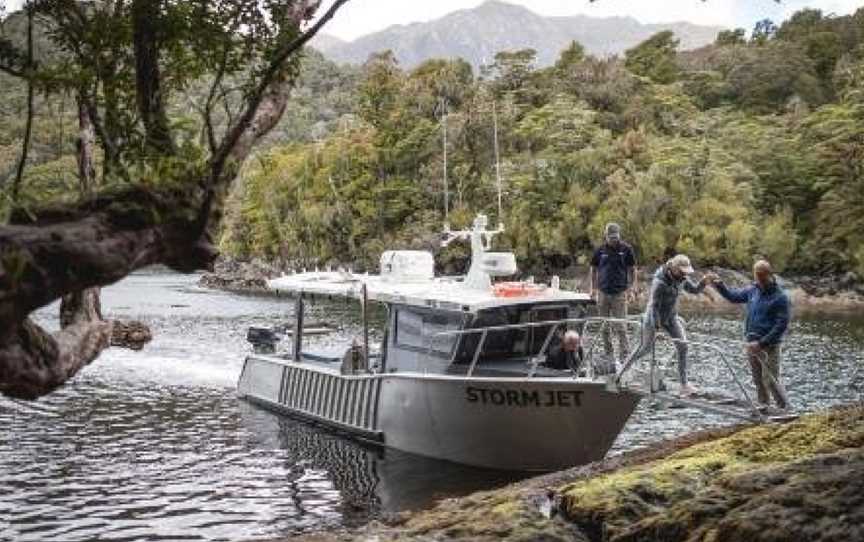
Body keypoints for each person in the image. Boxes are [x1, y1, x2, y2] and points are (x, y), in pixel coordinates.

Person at [619, 254, 710, 396]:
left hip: (671, 317)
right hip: (653, 318)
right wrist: (657, 326)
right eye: (682, 271)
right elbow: (654, 306)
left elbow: (694, 290)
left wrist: (704, 282)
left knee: (683, 346)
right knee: (645, 348)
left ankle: (684, 385)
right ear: (673, 268)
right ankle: (622, 371)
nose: (684, 275)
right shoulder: (659, 282)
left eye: (686, 272)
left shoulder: (682, 279)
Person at [705, 260, 790, 410]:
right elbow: (733, 296)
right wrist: (719, 284)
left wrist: (762, 343)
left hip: (769, 345)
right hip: (751, 343)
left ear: (769, 274)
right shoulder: (753, 290)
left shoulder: (780, 297)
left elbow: (781, 325)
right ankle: (763, 407)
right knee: (757, 380)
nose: (760, 279)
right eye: (757, 276)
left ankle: (783, 409)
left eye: (762, 276)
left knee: (770, 380)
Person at [590, 223, 637, 362]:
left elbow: (633, 269)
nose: (613, 240)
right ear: (606, 236)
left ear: (619, 236)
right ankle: (608, 354)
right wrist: (592, 289)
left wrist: (632, 288)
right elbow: (593, 269)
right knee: (604, 327)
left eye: (615, 237)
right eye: (611, 237)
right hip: (603, 293)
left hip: (619, 293)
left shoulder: (626, 249)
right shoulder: (600, 250)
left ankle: (625, 356)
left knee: (621, 327)